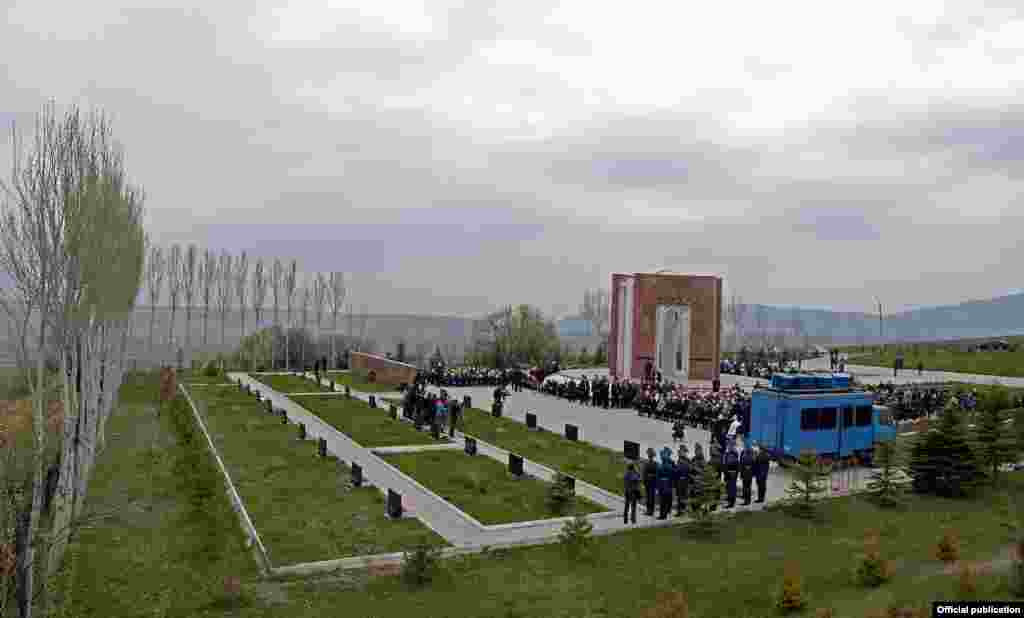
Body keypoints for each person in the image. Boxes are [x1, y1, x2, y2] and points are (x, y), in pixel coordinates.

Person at [656, 447, 675, 520]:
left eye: (663, 455)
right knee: (664, 500)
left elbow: (659, 476)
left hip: (665, 484)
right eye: (662, 455)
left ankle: (663, 515)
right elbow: (658, 476)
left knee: (663, 501)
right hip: (665, 484)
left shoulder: (665, 466)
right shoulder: (664, 465)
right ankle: (664, 514)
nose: (662, 457)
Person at [675, 444, 691, 517]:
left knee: (684, 496)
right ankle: (680, 510)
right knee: (679, 496)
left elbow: (689, 470)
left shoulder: (687, 460)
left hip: (685, 480)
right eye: (679, 452)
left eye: (681, 452)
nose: (680, 453)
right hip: (679, 481)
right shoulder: (679, 460)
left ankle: (683, 510)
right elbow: (677, 471)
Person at [642, 448, 658, 517]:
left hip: (652, 482)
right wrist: (644, 482)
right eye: (649, 454)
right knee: (648, 497)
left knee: (651, 497)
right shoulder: (646, 463)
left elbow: (657, 474)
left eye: (650, 454)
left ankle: (650, 511)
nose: (649, 455)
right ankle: (648, 510)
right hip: (647, 482)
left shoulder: (655, 464)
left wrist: (651, 476)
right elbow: (644, 473)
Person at [723, 441, 740, 508]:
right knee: (728, 487)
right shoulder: (728, 454)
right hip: (728, 473)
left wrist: (733, 473)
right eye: (729, 446)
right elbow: (726, 464)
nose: (729, 447)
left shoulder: (733, 454)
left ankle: (731, 502)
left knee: (732, 488)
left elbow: (735, 465)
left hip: (732, 474)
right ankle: (729, 499)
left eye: (730, 446)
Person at [739, 442, 755, 506]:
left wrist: (741, 474)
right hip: (749, 474)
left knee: (746, 487)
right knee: (748, 487)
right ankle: (748, 499)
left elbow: (742, 466)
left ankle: (746, 501)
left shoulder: (745, 457)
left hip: (745, 474)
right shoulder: (752, 457)